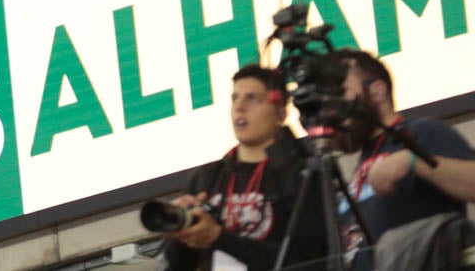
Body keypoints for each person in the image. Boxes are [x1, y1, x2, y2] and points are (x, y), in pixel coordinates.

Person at [159, 65, 324, 271]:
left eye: (252, 98)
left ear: (281, 113)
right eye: (234, 98)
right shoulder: (207, 177)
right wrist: (178, 230)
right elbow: (176, 266)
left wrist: (219, 238)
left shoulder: (301, 173)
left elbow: (310, 259)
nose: (240, 107)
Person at [337, 49, 475, 271]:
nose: (336, 105)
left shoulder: (422, 132)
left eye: (341, 91)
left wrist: (413, 162)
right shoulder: (362, 161)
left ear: (377, 91)